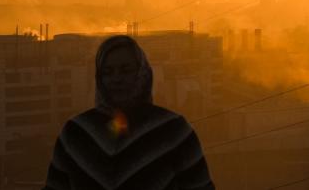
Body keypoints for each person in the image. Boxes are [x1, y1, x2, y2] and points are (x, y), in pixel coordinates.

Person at [44, 35, 214, 190]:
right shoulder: (75, 134)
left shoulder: (175, 132)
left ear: (143, 74)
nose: (117, 79)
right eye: (108, 72)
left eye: (126, 70)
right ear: (99, 79)